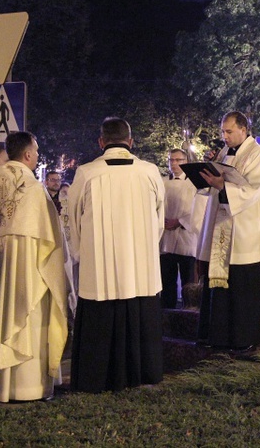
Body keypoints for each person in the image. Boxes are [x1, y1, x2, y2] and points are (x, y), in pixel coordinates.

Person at [68, 117, 166, 393]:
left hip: (100, 269)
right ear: (131, 142)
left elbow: (73, 218)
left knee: (100, 308)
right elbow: (160, 218)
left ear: (101, 142)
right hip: (140, 269)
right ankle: (143, 373)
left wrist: (81, 252)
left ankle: (97, 377)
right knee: (139, 306)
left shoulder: (87, 173)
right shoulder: (149, 171)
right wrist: (145, 246)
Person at [0, 132, 68, 402]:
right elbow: (51, 237)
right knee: (26, 318)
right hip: (28, 269)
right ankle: (27, 388)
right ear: (27, 155)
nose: (37, 156)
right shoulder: (32, 186)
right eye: (36, 151)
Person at [197, 111, 260, 352]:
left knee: (242, 288)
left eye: (229, 131)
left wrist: (223, 186)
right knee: (219, 287)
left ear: (243, 129)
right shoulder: (224, 153)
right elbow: (218, 186)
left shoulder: (258, 155)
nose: (225, 136)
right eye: (223, 132)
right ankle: (217, 336)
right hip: (222, 227)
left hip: (243, 231)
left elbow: (254, 191)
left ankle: (243, 339)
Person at [160, 148, 205, 309]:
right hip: (166, 239)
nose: (174, 164)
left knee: (188, 283)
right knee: (167, 282)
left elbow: (200, 209)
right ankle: (167, 316)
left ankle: (190, 313)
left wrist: (179, 221)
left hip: (187, 237)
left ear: (186, 162)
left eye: (178, 160)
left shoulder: (195, 183)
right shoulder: (162, 182)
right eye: (171, 160)